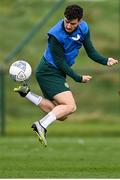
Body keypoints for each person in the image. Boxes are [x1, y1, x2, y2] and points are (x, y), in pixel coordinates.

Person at [14, 4, 118, 147]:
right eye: (66, 21)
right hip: (48, 71)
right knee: (71, 106)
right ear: (64, 18)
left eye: (72, 23)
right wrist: (78, 78)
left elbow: (91, 51)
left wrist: (105, 60)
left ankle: (27, 94)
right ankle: (41, 125)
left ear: (80, 21)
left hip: (57, 72)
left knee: (62, 115)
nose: (68, 25)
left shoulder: (84, 28)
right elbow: (60, 62)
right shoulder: (55, 35)